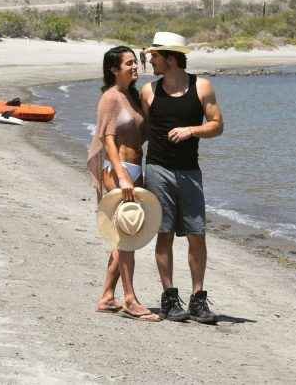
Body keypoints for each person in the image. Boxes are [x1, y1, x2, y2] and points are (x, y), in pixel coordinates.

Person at [141, 32, 224, 323]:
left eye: (155, 56)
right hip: (157, 169)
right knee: (163, 234)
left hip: (190, 171)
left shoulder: (201, 86)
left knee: (196, 235)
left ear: (170, 58)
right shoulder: (149, 91)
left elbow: (217, 126)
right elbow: (142, 133)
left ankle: (198, 300)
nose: (151, 60)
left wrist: (191, 130)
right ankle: (169, 298)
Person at [86, 46, 160, 321]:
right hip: (116, 171)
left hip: (134, 168)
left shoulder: (132, 96)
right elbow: (107, 138)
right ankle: (130, 300)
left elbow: (144, 133)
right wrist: (122, 174)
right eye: (128, 63)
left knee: (123, 235)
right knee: (127, 236)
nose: (134, 67)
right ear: (113, 69)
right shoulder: (110, 97)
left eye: (135, 62)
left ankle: (107, 296)